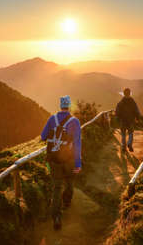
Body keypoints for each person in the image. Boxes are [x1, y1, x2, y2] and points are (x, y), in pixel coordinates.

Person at [41, 95, 81, 230]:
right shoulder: (75, 121)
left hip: (54, 160)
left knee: (57, 188)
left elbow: (42, 136)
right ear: (69, 106)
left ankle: (56, 217)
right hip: (68, 160)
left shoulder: (52, 119)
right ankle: (67, 202)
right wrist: (78, 163)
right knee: (69, 182)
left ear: (60, 106)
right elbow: (77, 143)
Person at [115, 88, 141, 152]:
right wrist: (137, 117)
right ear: (130, 93)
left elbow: (117, 111)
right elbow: (136, 110)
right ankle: (129, 143)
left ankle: (123, 146)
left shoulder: (120, 102)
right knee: (130, 133)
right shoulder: (133, 102)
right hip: (130, 120)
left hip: (123, 120)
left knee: (123, 134)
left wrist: (118, 118)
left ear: (124, 93)